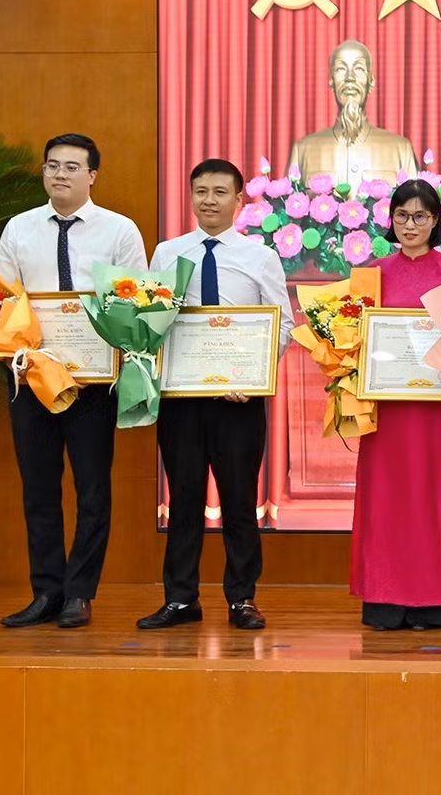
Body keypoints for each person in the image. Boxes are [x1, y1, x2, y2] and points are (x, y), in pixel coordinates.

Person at [0, 133, 147, 629]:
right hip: (32, 378)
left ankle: (80, 593)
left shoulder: (120, 231)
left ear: (92, 175)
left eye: (71, 167)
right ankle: (46, 592)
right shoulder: (19, 228)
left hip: (94, 384)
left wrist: (116, 343)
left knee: (92, 490)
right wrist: (16, 352)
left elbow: (138, 302)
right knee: (38, 489)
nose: (59, 174)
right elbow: (3, 301)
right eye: (52, 166)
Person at [138, 159, 294, 631]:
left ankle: (242, 598)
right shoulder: (167, 253)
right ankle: (180, 598)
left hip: (238, 402)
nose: (209, 200)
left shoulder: (261, 256)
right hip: (181, 399)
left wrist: (254, 377)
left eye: (220, 192)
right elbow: (148, 319)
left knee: (239, 501)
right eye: (200, 191)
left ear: (239, 200)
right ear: (190, 196)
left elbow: (282, 324)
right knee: (182, 499)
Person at [350, 179, 441, 630]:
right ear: (390, 220)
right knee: (388, 499)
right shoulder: (369, 272)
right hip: (388, 411)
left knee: (439, 497)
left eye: (420, 216)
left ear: (437, 221)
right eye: (402, 216)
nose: (410, 225)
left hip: (439, 411)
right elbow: (351, 339)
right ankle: (385, 598)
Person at [287, 40, 420, 185]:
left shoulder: (401, 149)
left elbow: (415, 203)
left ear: (371, 81)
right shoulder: (303, 150)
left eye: (359, 69)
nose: (350, 78)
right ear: (331, 81)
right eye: (341, 69)